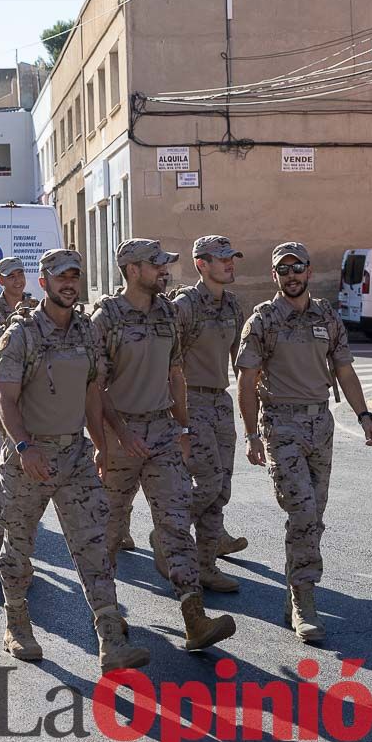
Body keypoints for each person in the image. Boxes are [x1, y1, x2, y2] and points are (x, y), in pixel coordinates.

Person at [0, 248, 150, 672]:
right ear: (42, 282)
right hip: (31, 457)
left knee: (94, 546)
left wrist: (102, 442)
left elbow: (93, 392)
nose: (69, 283)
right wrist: (25, 447)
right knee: (19, 545)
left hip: (74, 456)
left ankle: (111, 641)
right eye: (60, 276)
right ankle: (17, 623)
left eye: (75, 276)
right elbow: (4, 398)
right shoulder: (21, 334)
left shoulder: (86, 330)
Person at [92, 238, 236, 653]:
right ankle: (108, 619)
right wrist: (113, 437)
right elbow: (95, 386)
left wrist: (184, 427)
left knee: (175, 522)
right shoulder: (107, 318)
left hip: (162, 433)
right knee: (107, 531)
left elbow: (176, 372)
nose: (164, 271)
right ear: (133, 270)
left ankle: (194, 616)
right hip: (122, 438)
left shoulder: (168, 313)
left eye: (164, 265)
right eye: (156, 265)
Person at [236, 242, 372, 642]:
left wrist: (364, 416)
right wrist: (251, 435)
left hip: (321, 424)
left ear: (308, 270)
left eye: (297, 268)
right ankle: (304, 600)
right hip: (280, 425)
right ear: (275, 277)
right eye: (283, 270)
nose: (291, 276)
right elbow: (246, 383)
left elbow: (345, 371)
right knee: (301, 513)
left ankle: (294, 590)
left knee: (314, 516)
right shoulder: (263, 320)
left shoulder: (326, 317)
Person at [170, 236, 247, 592]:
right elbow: (167, 360)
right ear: (202, 264)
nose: (229, 264)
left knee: (222, 488)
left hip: (220, 402)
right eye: (221, 259)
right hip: (190, 401)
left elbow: (239, 360)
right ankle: (168, 532)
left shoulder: (233, 305)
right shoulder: (184, 305)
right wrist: (177, 418)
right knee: (208, 482)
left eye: (231, 258)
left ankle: (206, 567)